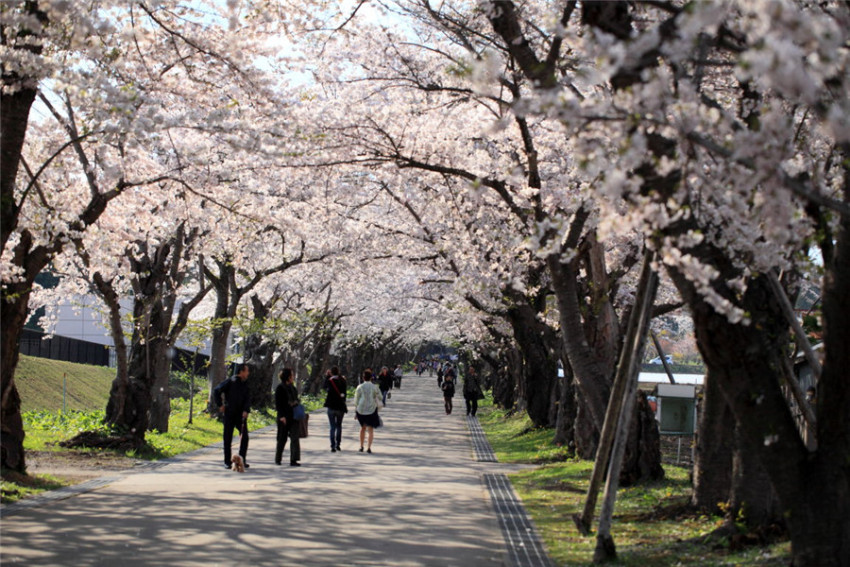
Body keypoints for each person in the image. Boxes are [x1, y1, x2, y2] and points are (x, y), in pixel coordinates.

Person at [213, 363, 251, 469]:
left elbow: (248, 399)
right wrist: (220, 405)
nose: (248, 373)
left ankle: (241, 459)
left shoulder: (246, 384)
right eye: (247, 371)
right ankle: (227, 461)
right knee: (227, 438)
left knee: (244, 437)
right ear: (241, 371)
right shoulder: (230, 381)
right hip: (229, 413)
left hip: (241, 415)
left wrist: (246, 410)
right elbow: (216, 390)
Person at [274, 368, 301, 467]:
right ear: (288, 377)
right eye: (292, 375)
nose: (293, 377)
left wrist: (296, 402)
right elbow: (278, 404)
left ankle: (294, 459)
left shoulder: (293, 388)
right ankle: (278, 458)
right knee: (282, 438)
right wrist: (281, 416)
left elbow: (297, 399)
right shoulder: (280, 388)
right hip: (284, 417)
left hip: (293, 416)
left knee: (295, 438)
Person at [354, 369, 381, 453]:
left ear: (363, 378)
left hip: (361, 410)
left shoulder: (360, 387)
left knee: (362, 428)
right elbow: (380, 397)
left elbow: (356, 400)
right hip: (371, 410)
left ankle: (361, 446)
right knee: (370, 429)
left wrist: (356, 411)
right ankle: (369, 447)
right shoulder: (374, 387)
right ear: (371, 378)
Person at [324, 366, 348, 452]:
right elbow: (345, 393)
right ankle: (338, 444)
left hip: (331, 406)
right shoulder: (343, 380)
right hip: (340, 407)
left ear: (331, 372)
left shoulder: (329, 380)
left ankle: (332, 445)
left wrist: (327, 376)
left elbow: (324, 387)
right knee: (339, 426)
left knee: (332, 426)